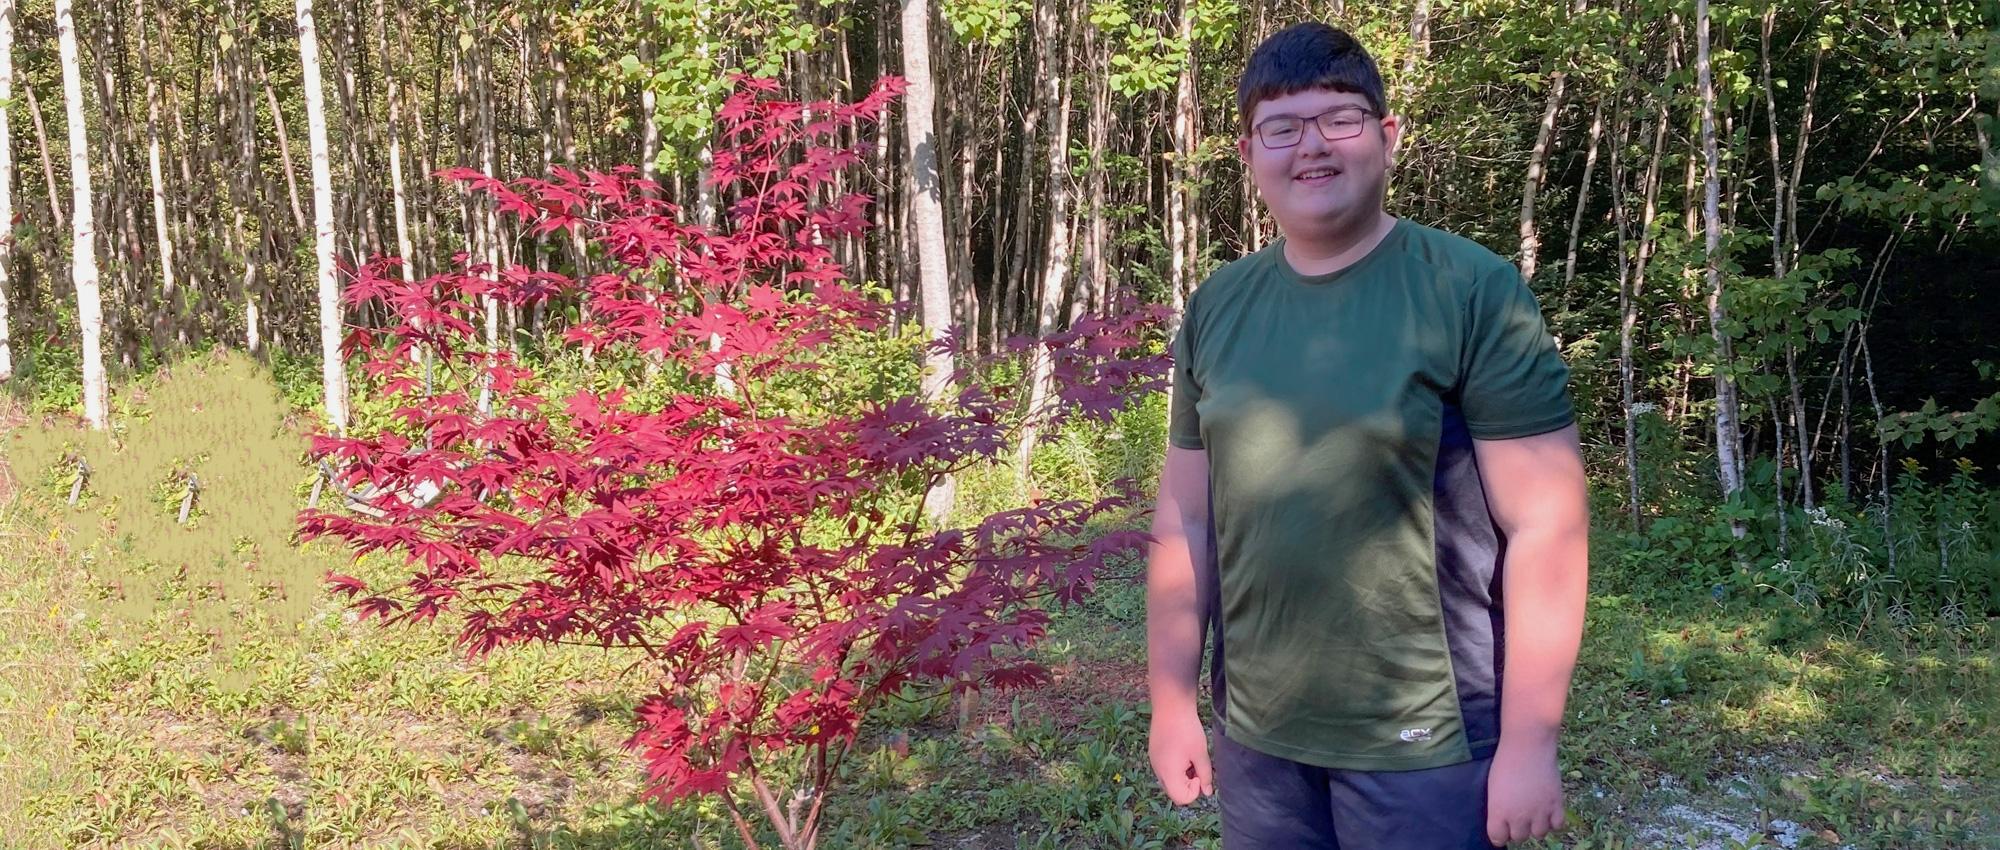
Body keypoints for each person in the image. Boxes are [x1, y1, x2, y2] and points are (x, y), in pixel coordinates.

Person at [1144, 22, 1590, 849]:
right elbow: (1187, 521)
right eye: (1282, 126)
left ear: (1386, 137)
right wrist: (1171, 701)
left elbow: (1548, 525)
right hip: (1260, 732)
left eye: (1339, 118)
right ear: (1249, 154)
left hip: (1426, 736)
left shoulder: (1471, 290)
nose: (1310, 146)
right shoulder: (1218, 306)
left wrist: (1531, 744)